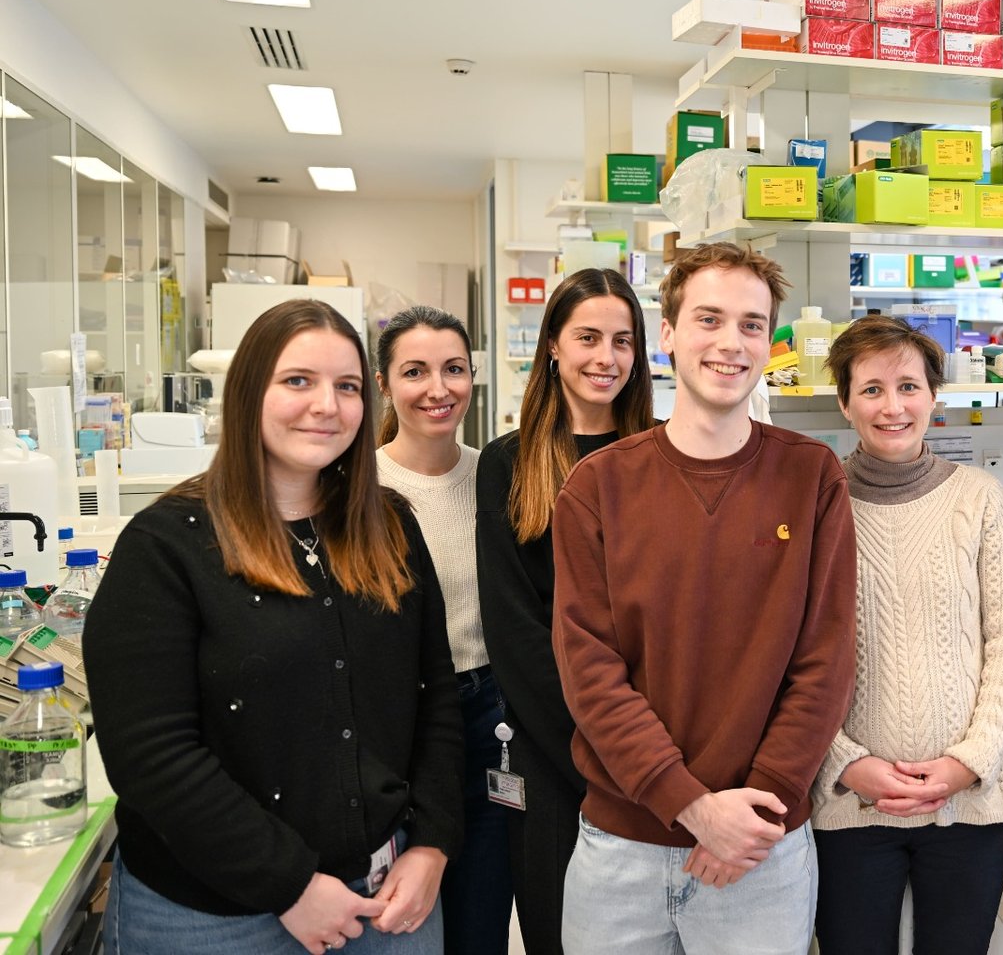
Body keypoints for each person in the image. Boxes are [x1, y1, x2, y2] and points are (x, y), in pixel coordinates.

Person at [87, 299, 462, 954]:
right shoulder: (167, 546)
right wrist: (289, 884)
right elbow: (151, 755)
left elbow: (435, 697)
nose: (326, 405)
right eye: (297, 381)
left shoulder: (390, 525)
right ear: (247, 393)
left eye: (347, 386)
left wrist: (431, 841)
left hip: (387, 901)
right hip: (211, 920)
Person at [551, 242, 857, 953]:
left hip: (760, 845)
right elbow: (589, 672)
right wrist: (690, 806)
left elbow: (826, 662)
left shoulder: (811, 477)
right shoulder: (598, 487)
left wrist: (755, 812)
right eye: (709, 319)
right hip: (622, 849)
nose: (731, 342)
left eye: (752, 325)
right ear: (667, 334)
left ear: (770, 344)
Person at [810, 315, 1003, 954]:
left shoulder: (980, 498)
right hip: (849, 804)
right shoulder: (815, 504)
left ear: (934, 396)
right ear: (845, 403)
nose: (893, 407)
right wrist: (846, 764)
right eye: (872, 389)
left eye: (908, 386)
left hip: (969, 805)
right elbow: (791, 658)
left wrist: (970, 761)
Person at [474, 268, 652, 954]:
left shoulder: (662, 454)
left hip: (656, 748)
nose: (606, 358)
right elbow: (514, 631)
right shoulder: (508, 463)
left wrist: (648, 754)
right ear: (552, 344)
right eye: (587, 338)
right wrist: (601, 753)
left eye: (622, 341)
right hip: (556, 753)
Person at [370, 306, 509, 955]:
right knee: (400, 919)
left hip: (491, 717)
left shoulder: (496, 477)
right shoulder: (357, 487)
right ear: (383, 384)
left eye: (454, 369)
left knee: (481, 911)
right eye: (415, 372)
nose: (438, 389)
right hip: (397, 722)